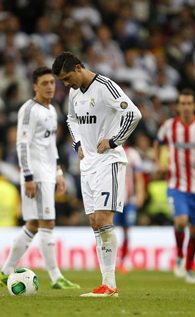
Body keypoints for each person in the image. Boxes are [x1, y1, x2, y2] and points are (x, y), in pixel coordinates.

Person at [52, 52, 142, 297]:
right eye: (62, 81)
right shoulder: (73, 93)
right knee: (94, 222)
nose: (66, 84)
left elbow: (133, 114)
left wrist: (114, 141)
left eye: (68, 78)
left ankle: (110, 284)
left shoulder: (105, 86)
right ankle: (105, 284)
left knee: (103, 219)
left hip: (109, 162)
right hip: (87, 164)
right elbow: (71, 119)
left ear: (79, 68)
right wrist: (78, 143)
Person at [0, 66, 80, 290]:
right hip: (36, 175)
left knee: (33, 224)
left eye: (52, 82)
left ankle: (4, 272)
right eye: (45, 83)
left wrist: (59, 172)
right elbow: (21, 144)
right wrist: (29, 176)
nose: (50, 87)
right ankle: (56, 277)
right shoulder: (29, 110)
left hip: (48, 173)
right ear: (35, 86)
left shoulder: (52, 111)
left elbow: (51, 146)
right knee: (48, 223)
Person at [154, 89, 195, 284]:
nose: (185, 107)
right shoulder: (169, 126)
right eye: (182, 103)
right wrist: (158, 161)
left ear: (194, 106)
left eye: (188, 103)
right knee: (181, 221)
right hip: (176, 184)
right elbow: (158, 143)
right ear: (178, 106)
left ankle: (189, 267)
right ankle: (180, 256)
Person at [114, 143, 145, 274]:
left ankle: (124, 260)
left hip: (130, 199)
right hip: (114, 200)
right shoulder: (110, 152)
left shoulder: (133, 153)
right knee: (110, 228)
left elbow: (139, 176)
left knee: (127, 229)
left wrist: (140, 194)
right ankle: (111, 261)